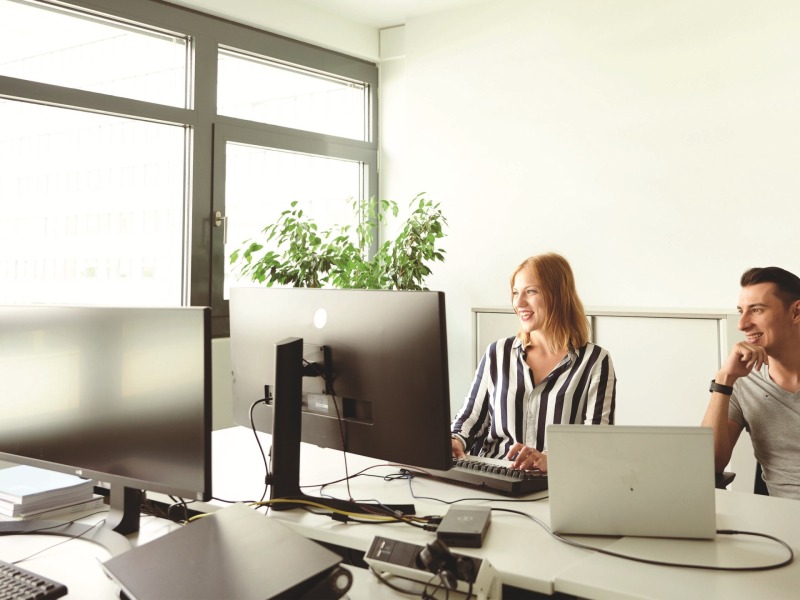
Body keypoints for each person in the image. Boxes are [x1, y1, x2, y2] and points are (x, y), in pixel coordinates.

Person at [450, 253, 616, 473]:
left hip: (553, 483)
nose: (518, 303)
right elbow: (471, 417)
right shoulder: (497, 353)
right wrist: (455, 441)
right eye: (516, 293)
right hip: (492, 475)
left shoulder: (595, 361)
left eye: (531, 291)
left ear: (558, 295)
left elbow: (597, 443)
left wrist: (552, 459)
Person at [702, 266, 800, 500]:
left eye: (756, 310)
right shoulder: (742, 382)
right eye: (741, 311)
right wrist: (724, 380)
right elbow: (705, 466)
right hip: (780, 525)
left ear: (796, 312)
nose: (742, 324)